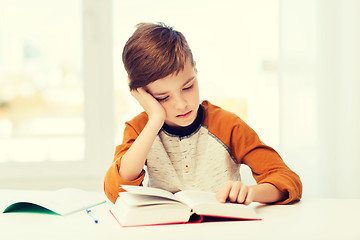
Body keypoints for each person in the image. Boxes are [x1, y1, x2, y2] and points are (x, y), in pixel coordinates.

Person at [104, 22, 302, 205]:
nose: (181, 105)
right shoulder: (140, 130)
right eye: (163, 97)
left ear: (195, 70)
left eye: (188, 87)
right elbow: (116, 192)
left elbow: (287, 180)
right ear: (143, 95)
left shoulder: (227, 125)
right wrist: (156, 119)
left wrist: (251, 193)